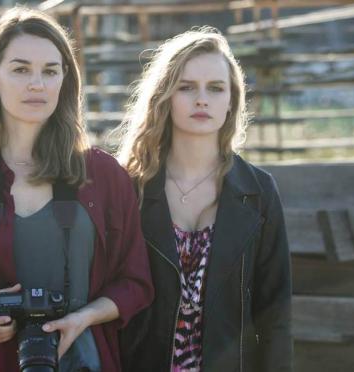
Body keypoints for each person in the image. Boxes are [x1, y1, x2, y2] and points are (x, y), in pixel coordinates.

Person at [0, 7, 153, 372]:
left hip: (82, 362)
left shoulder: (103, 176)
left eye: (49, 71)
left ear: (64, 79)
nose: (36, 84)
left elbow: (135, 283)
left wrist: (84, 317)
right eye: (21, 69)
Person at [114, 26, 292, 371]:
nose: (201, 99)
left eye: (215, 88)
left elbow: (277, 315)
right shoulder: (130, 187)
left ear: (231, 101)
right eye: (186, 87)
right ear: (165, 97)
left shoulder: (258, 192)